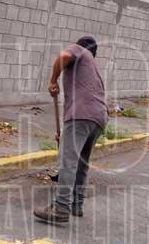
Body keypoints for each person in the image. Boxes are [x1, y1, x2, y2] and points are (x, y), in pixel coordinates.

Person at [34, 36, 107, 224]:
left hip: (81, 116)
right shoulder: (93, 67)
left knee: (68, 162)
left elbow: (63, 56)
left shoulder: (79, 50)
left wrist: (53, 80)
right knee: (81, 163)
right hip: (99, 118)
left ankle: (61, 208)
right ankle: (76, 205)